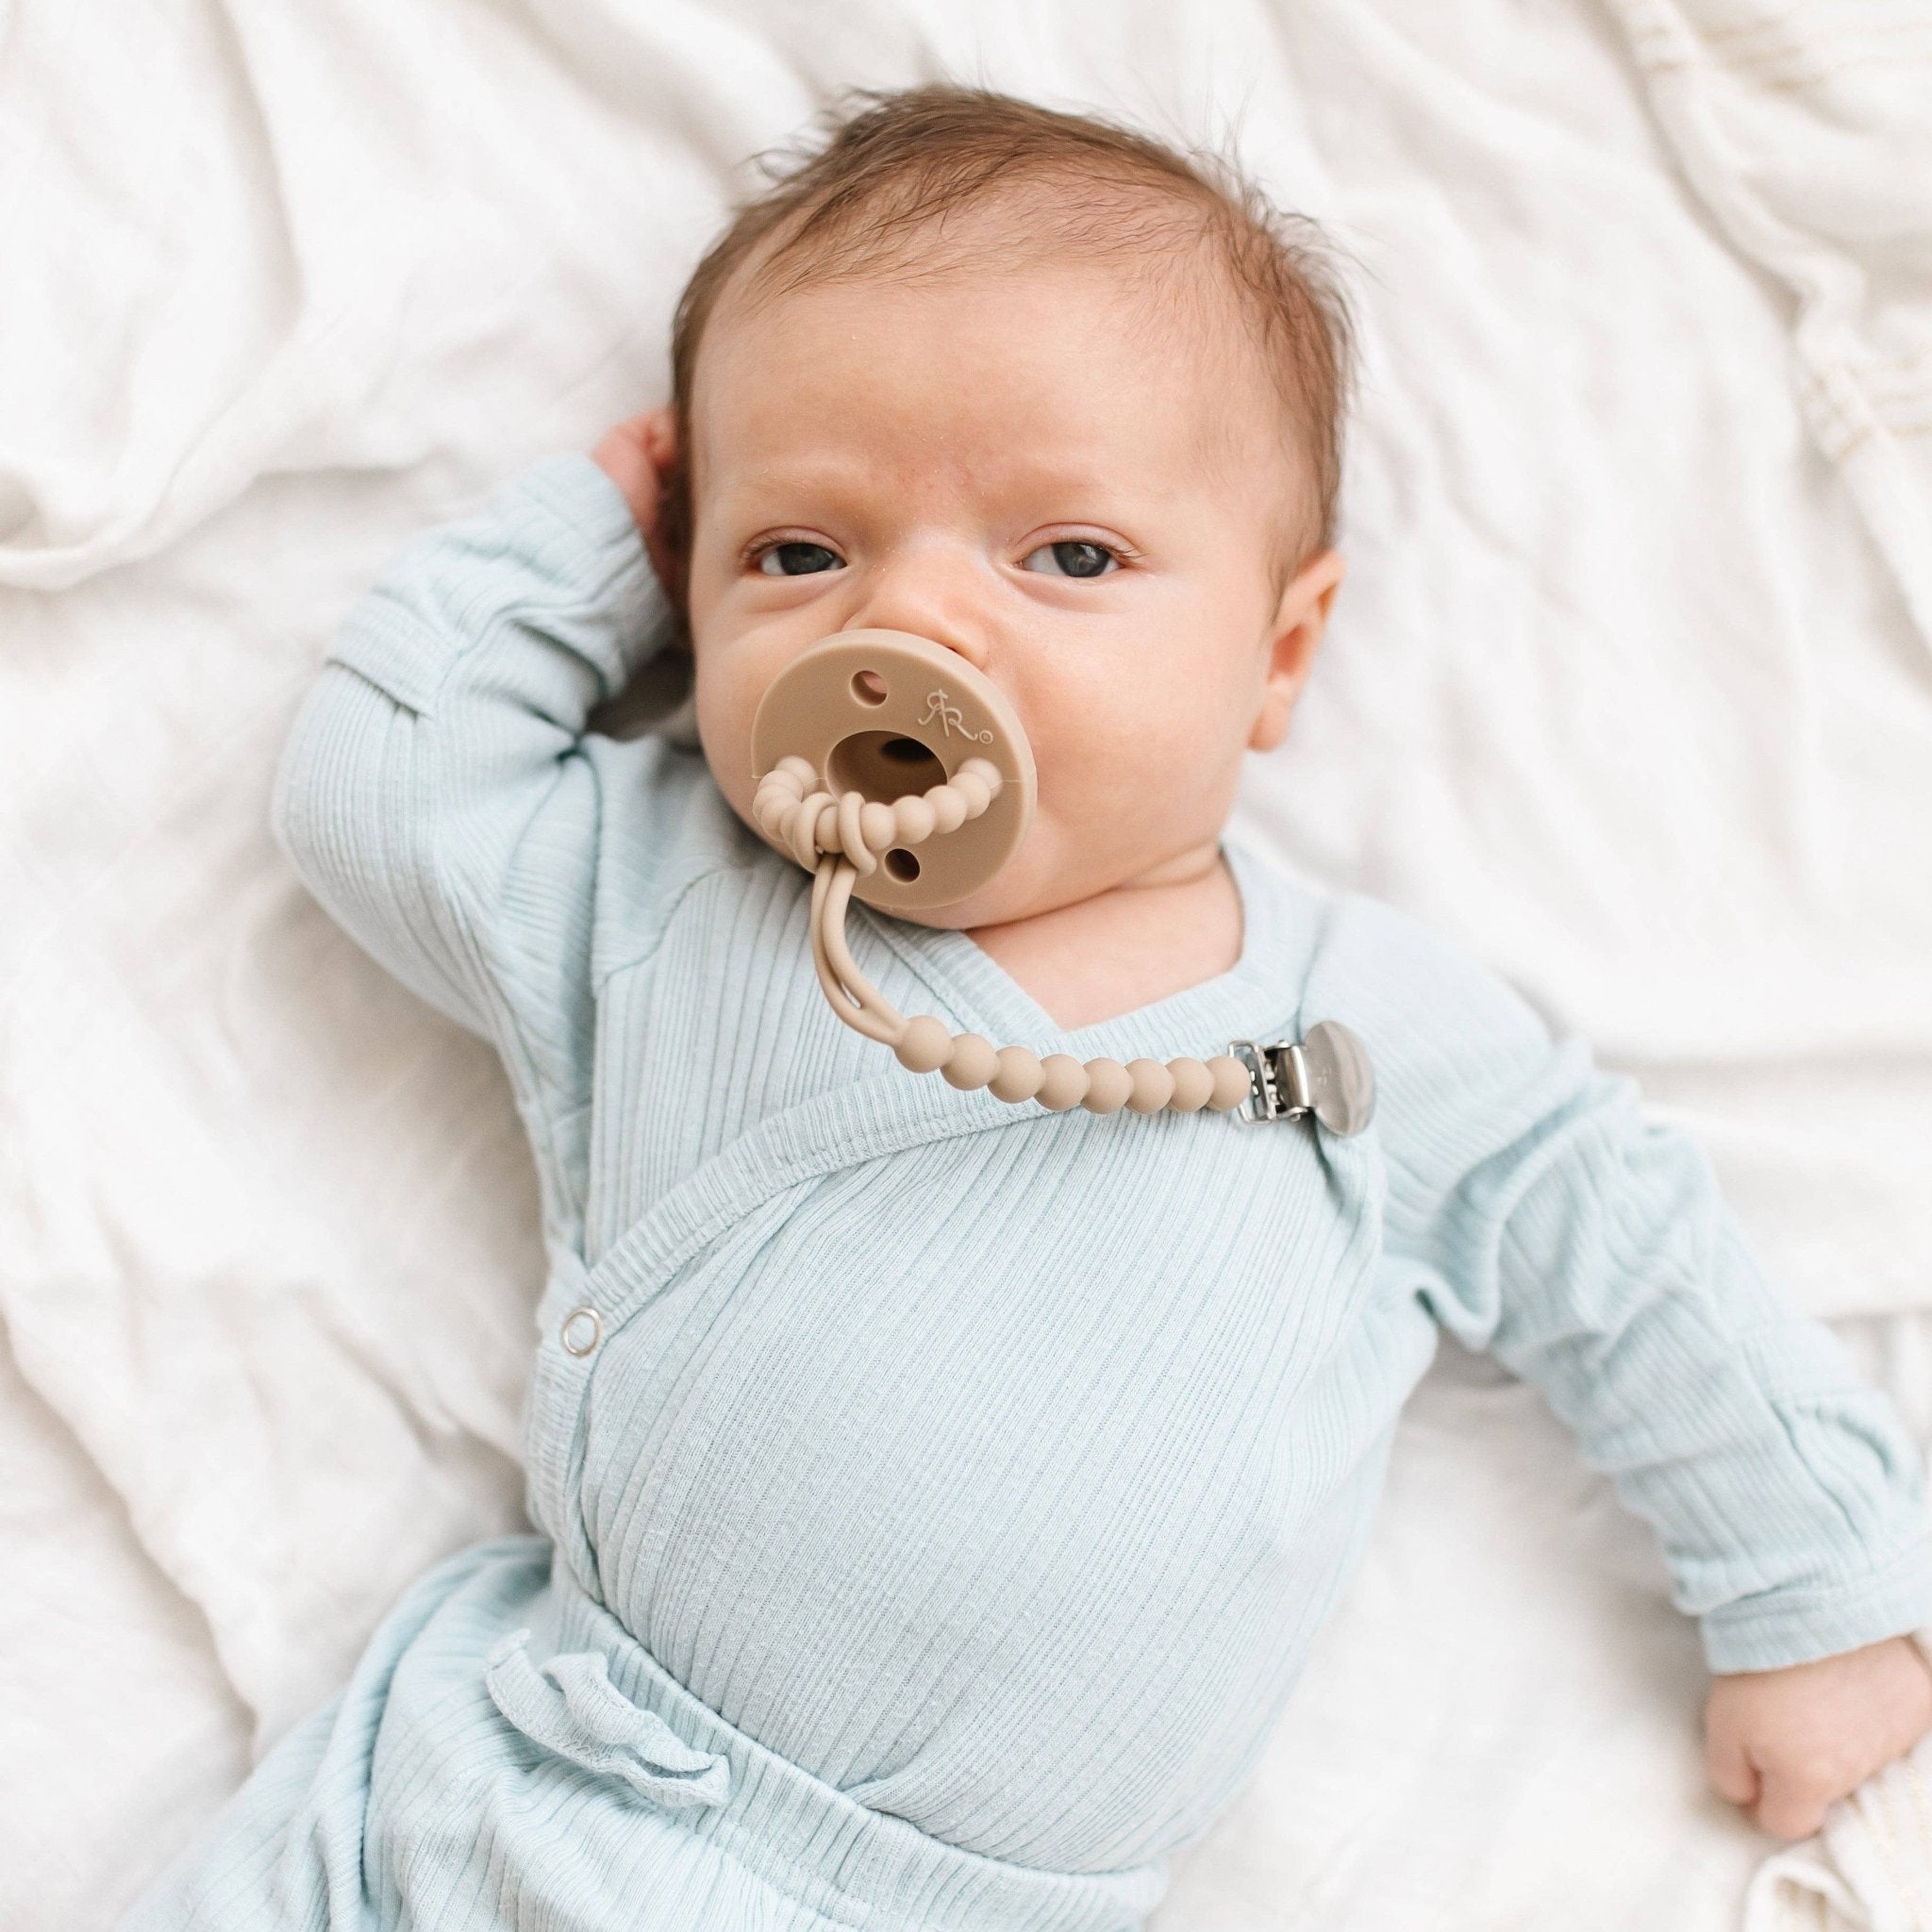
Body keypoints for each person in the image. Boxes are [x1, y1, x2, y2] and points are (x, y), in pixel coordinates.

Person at [125, 85, 1932, 1932]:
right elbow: (380, 792)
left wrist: (1812, 1588)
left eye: (1066, 556)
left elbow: (1633, 1261)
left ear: (1278, 654)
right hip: (522, 1791)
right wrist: (595, 531)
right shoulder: (665, 883)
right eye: (797, 553)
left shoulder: (1360, 1034)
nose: (907, 625)